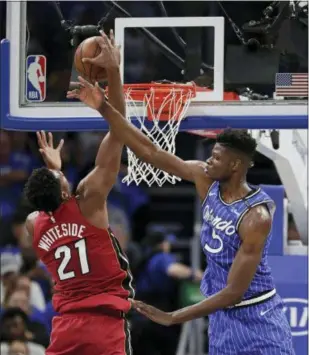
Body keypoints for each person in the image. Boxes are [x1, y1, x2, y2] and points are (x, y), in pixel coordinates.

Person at [68, 70, 295, 353]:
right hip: (223, 319)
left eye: (216, 158)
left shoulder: (256, 217)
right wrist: (104, 107)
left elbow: (234, 292)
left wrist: (173, 316)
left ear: (236, 166)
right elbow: (150, 152)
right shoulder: (205, 178)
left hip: (257, 317)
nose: (207, 161)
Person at [23, 31, 134, 355]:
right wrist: (113, 71)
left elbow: (47, 210)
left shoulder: (34, 223)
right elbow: (119, 129)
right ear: (62, 185)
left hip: (66, 328)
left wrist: (54, 172)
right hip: (104, 324)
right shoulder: (89, 199)